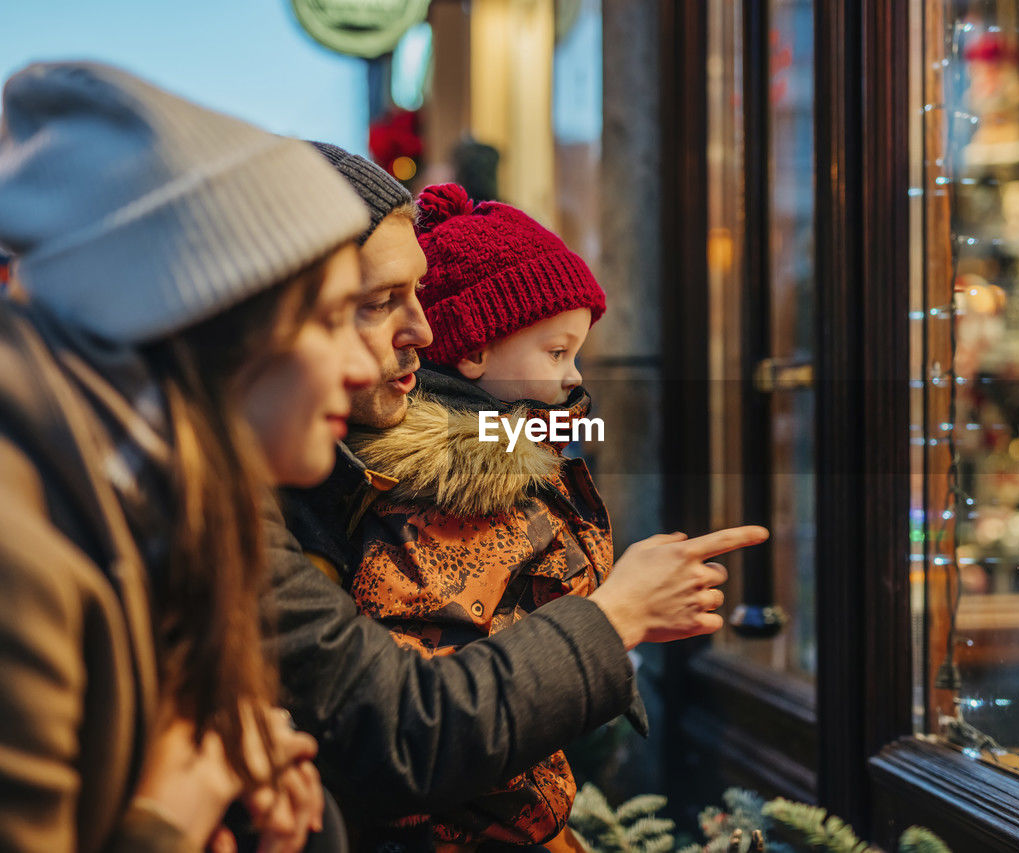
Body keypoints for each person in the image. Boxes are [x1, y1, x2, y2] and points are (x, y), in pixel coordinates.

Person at [269, 146, 769, 829]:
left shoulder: (490, 444)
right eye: (381, 301)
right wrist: (618, 611)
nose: (421, 328)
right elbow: (410, 725)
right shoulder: (423, 487)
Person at [0, 62, 378, 852]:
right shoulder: (24, 557)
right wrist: (174, 812)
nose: (365, 365)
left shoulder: (156, 507)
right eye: (338, 317)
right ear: (217, 320)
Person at [341, 183, 616, 849]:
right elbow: (430, 697)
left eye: (576, 353)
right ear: (474, 351)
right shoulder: (453, 494)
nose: (574, 375)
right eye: (556, 352)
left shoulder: (520, 451)